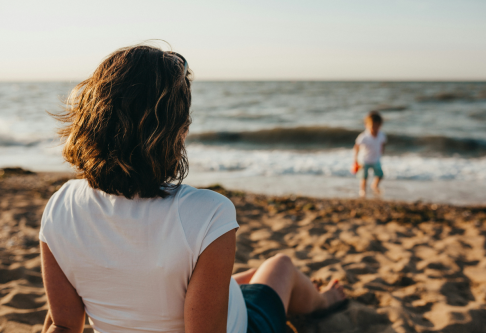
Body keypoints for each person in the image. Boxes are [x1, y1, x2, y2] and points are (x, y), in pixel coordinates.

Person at [40, 44, 346, 333]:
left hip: (180, 300)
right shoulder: (209, 212)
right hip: (244, 325)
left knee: (245, 279)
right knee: (281, 266)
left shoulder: (60, 205)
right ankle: (327, 301)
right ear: (179, 131)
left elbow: (64, 326)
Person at [352, 111, 387, 198]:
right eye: (372, 126)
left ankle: (374, 185)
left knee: (380, 175)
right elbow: (356, 147)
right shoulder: (363, 136)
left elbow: (382, 143)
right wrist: (355, 160)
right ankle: (363, 191)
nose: (374, 129)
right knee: (364, 177)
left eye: (377, 126)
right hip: (364, 160)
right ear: (366, 125)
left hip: (376, 159)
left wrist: (381, 151)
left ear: (380, 125)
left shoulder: (381, 135)